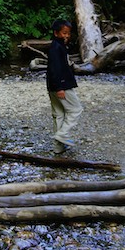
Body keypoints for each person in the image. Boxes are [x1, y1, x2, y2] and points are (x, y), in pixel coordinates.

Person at [46, 18, 83, 154]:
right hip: (61, 85)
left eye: (68, 33)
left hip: (52, 86)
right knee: (76, 109)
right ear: (56, 33)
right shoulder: (56, 48)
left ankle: (58, 147)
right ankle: (62, 135)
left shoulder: (58, 46)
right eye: (64, 33)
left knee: (59, 114)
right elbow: (54, 69)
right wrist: (60, 87)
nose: (66, 36)